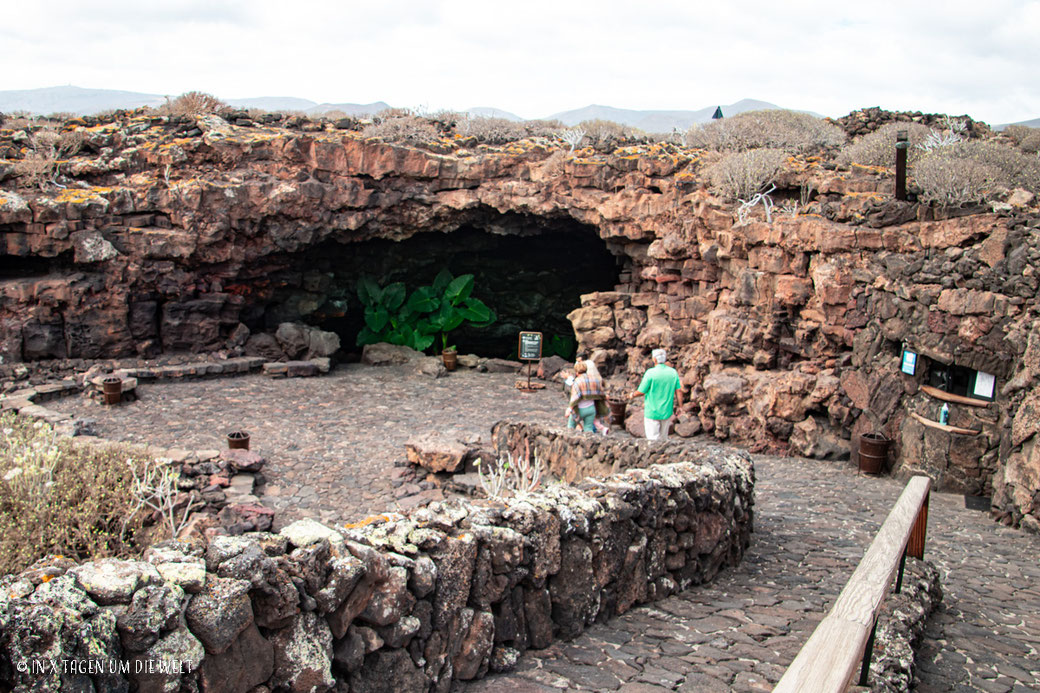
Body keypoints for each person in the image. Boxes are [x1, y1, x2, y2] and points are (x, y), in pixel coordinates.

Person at [629, 348, 682, 441]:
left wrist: (632, 395)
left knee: (653, 439)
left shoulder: (650, 373)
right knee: (663, 438)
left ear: (654, 359)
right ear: (665, 359)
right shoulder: (673, 373)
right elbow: (678, 391)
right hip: (666, 411)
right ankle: (664, 454)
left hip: (652, 411)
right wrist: (680, 406)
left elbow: (641, 391)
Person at [567, 360, 606, 433]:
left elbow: (575, 397)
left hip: (580, 409)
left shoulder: (577, 381)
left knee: (571, 426)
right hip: (591, 409)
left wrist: (569, 409)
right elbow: (601, 393)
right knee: (588, 428)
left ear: (577, 372)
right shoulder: (595, 380)